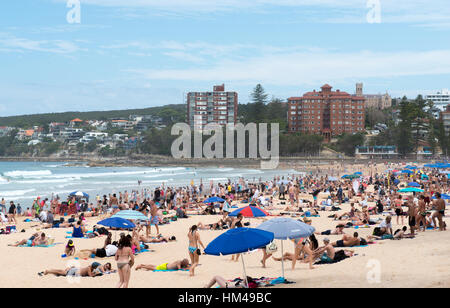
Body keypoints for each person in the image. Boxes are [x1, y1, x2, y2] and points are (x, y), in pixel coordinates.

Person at [39, 262, 106, 277]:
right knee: (63, 273)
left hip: (75, 269)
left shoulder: (90, 267)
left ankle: (48, 271)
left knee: (60, 272)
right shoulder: (89, 268)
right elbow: (90, 275)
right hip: (74, 271)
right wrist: (96, 274)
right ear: (94, 267)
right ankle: (48, 271)